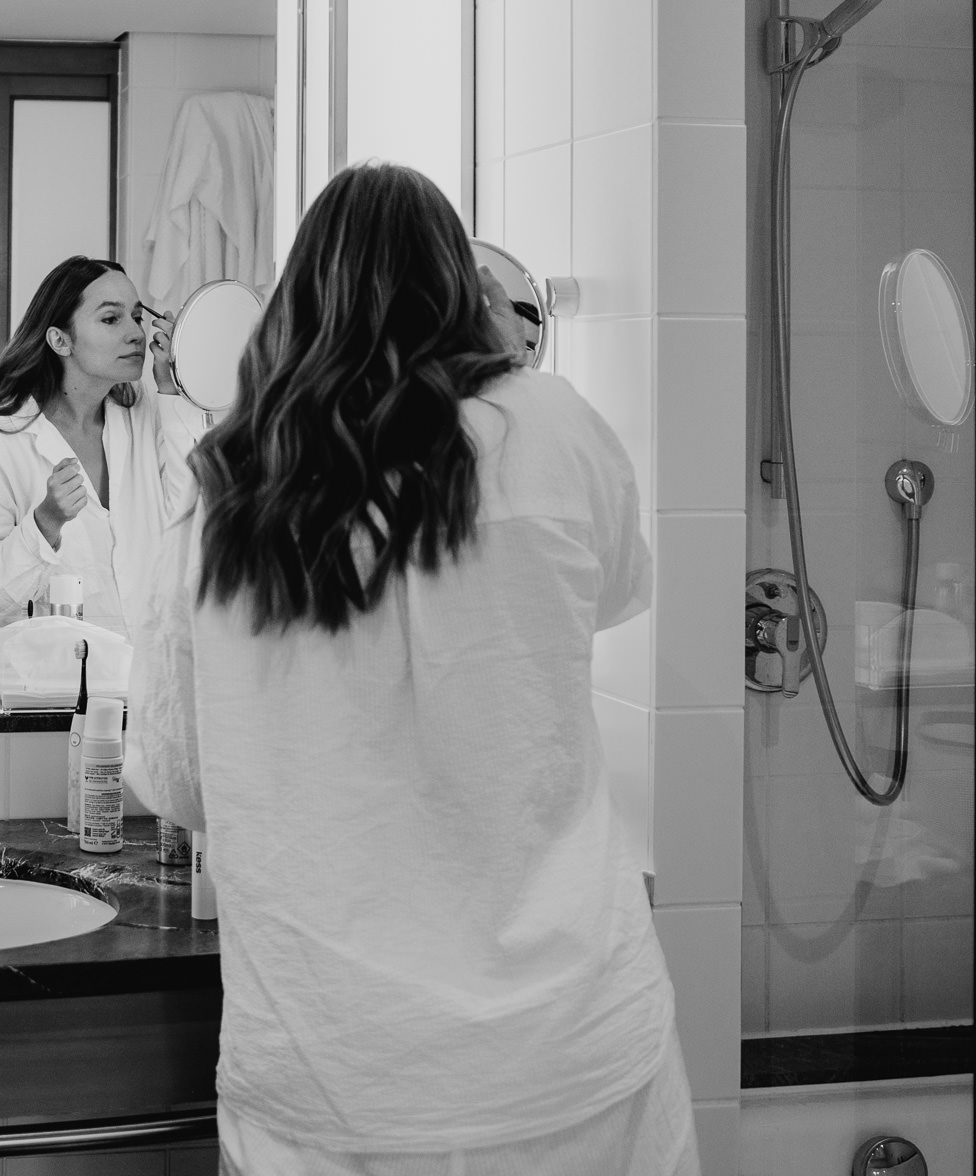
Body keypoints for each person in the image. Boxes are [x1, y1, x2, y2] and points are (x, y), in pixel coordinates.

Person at [125, 163, 699, 1176]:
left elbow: (178, 783)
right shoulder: (554, 428)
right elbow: (608, 593)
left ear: (294, 300)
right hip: (571, 1059)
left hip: (336, 1078)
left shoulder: (220, 502)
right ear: (459, 290)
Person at [0, 256, 204, 634]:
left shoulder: (147, 412)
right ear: (60, 340)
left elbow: (192, 525)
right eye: (110, 318)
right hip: (51, 686)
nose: (136, 334)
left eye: (136, 317)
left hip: (147, 679)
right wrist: (45, 523)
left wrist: (171, 387)